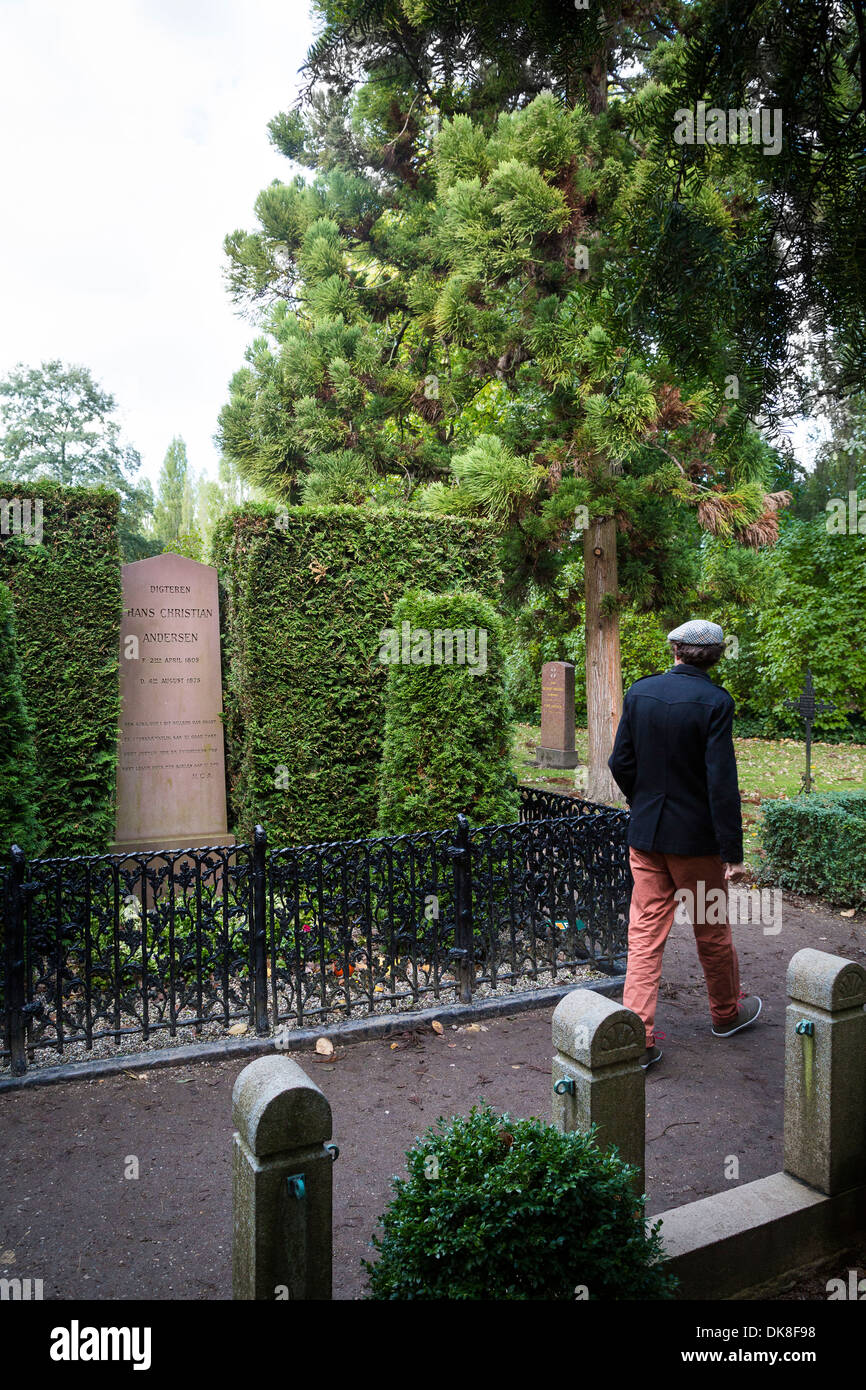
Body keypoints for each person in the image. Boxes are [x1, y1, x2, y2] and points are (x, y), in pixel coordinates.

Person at [608, 619, 762, 1069]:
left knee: (644, 933)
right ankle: (726, 1014)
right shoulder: (716, 702)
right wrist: (731, 851)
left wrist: (645, 801)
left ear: (675, 649)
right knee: (711, 927)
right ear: (714, 656)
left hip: (648, 835)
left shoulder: (640, 692)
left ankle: (637, 1037)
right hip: (696, 842)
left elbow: (621, 761)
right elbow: (720, 782)